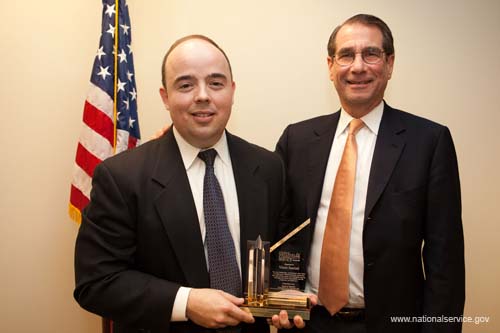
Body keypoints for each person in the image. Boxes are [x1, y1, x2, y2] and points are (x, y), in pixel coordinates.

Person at [74, 35, 287, 333]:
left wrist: (286, 303)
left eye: (216, 83)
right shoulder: (121, 177)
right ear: (165, 97)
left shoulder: (268, 167)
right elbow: (96, 283)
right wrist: (186, 302)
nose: (203, 95)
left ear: (232, 91)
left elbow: (278, 259)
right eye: (186, 85)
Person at [272, 14, 465, 333]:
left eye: (371, 54)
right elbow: (276, 227)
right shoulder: (297, 140)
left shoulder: (428, 142)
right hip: (307, 323)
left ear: (389, 64)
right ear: (331, 66)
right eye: (346, 55)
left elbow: (445, 262)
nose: (358, 66)